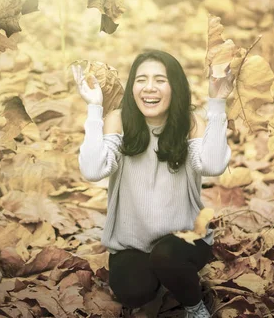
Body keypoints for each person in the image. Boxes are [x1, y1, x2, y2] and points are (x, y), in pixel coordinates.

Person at [72, 49, 234, 318]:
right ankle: (168, 277)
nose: (149, 88)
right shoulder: (119, 120)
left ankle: (196, 306)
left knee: (167, 256)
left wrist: (217, 102)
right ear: (132, 87)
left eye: (160, 80)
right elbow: (92, 170)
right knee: (134, 292)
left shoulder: (190, 123)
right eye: (141, 79)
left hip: (184, 239)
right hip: (132, 243)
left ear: (175, 87)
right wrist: (94, 108)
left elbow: (214, 165)